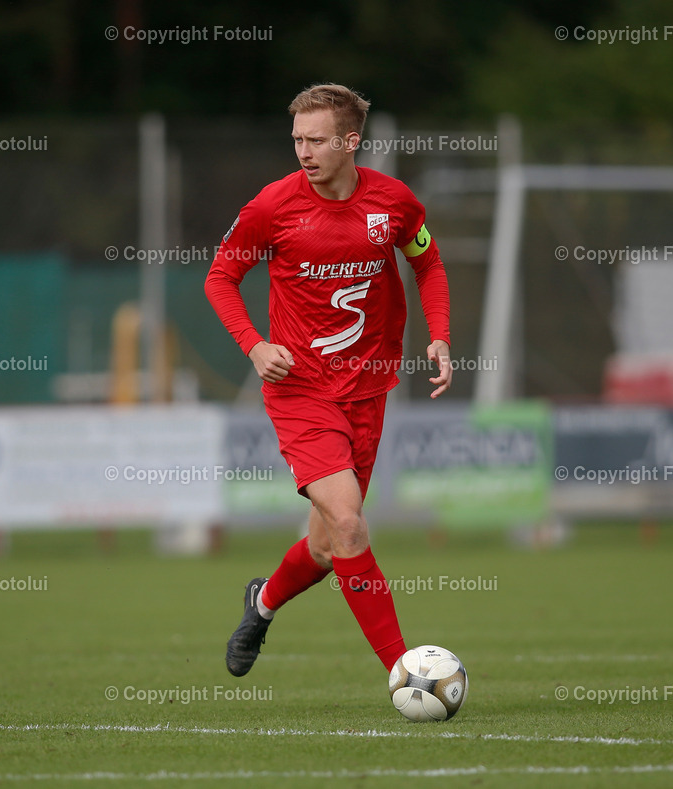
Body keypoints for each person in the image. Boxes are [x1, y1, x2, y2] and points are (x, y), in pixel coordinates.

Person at [205, 83, 452, 678]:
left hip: (367, 389)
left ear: (350, 140)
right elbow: (221, 277)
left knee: (324, 547)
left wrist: (439, 331)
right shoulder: (272, 206)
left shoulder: (393, 203)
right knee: (348, 521)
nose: (304, 152)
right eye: (296, 140)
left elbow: (427, 261)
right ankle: (405, 673)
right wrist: (256, 345)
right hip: (300, 390)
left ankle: (261, 604)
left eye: (316, 140)